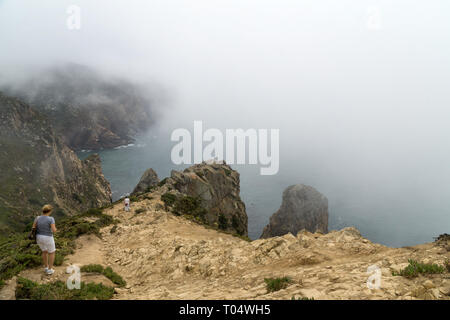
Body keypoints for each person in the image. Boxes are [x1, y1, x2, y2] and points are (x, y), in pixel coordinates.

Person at [32, 204, 57, 275]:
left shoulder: (37, 218)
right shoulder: (51, 219)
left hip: (39, 237)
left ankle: (46, 267)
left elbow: (33, 227)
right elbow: (54, 230)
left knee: (44, 251)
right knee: (51, 252)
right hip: (48, 237)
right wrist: (56, 229)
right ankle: (50, 269)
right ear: (50, 211)